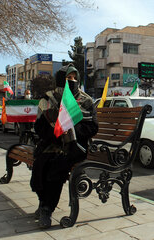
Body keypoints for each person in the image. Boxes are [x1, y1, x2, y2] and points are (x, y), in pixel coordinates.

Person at [30, 64, 98, 229]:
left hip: (75, 148)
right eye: (68, 78)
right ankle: (43, 201)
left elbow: (93, 128)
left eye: (74, 78)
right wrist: (55, 132)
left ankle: (47, 209)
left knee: (56, 168)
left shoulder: (86, 100)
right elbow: (39, 127)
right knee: (39, 167)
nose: (72, 81)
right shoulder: (48, 99)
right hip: (50, 145)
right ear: (61, 79)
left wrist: (72, 130)